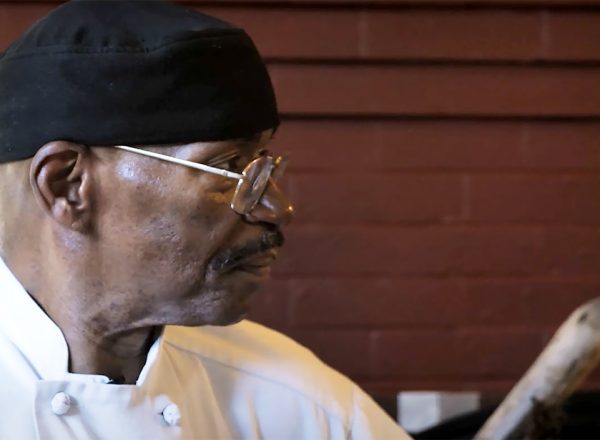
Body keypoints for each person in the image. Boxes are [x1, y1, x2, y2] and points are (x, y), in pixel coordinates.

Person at [0, 0, 410, 438]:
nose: (276, 208)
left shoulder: (300, 403)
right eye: (231, 168)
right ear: (67, 185)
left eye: (266, 167)